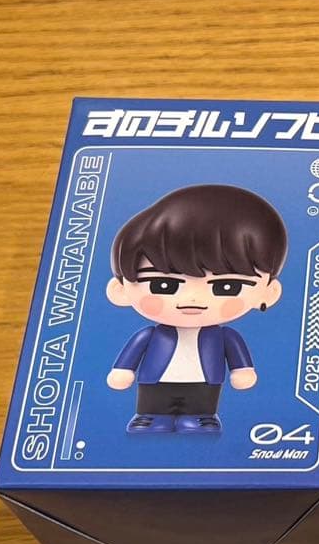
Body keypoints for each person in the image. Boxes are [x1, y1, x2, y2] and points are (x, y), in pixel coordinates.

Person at [105, 184, 287, 434]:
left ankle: (201, 417)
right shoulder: (150, 335)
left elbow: (236, 356)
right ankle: (150, 417)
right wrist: (123, 370)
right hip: (155, 383)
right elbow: (132, 353)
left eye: (226, 287)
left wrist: (242, 370)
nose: (193, 297)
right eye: (164, 285)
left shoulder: (224, 337)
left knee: (201, 407)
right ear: (120, 290)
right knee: (153, 406)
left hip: (204, 386)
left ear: (268, 293)